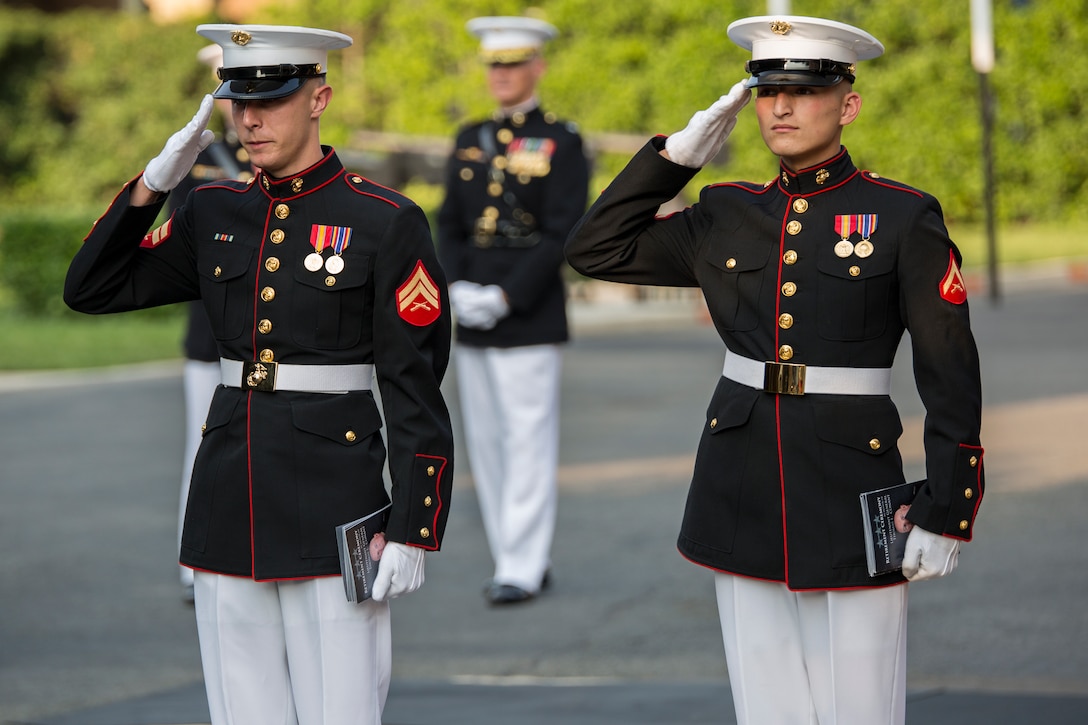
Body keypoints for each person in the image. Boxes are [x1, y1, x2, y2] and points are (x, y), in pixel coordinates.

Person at [565, 15, 984, 724]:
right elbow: (595, 248)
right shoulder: (726, 212)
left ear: (847, 104)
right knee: (766, 702)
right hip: (742, 476)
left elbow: (949, 367)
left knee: (861, 701)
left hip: (851, 478)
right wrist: (676, 156)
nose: (782, 107)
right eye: (767, 92)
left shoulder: (901, 216)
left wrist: (950, 506)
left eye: (803, 91)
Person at [64, 24, 454, 725]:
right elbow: (90, 288)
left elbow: (412, 381)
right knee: (241, 709)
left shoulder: (382, 219)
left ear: (318, 98)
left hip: (335, 497)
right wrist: (156, 182)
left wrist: (414, 523)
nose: (249, 118)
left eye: (270, 100)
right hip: (228, 494)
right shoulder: (213, 209)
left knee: (340, 706)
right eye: (238, 101)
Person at [437, 16, 589, 605]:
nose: (501, 75)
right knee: (488, 441)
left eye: (512, 64)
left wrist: (507, 296)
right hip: (471, 304)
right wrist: (453, 287)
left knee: (527, 439)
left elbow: (562, 232)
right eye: (494, 65)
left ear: (537, 67)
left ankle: (524, 563)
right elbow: (449, 222)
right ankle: (510, 552)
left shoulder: (561, 140)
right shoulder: (468, 135)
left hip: (527, 310)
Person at [170, 43, 254, 604]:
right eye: (232, 93)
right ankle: (194, 562)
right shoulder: (199, 161)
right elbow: (178, 243)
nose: (241, 107)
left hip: (279, 340)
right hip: (212, 335)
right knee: (202, 446)